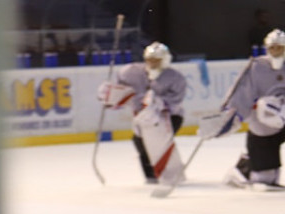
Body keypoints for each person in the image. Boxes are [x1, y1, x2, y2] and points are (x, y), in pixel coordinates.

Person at [205, 29, 285, 189]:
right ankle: (243, 171)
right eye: (272, 48)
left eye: (280, 48)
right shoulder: (256, 67)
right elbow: (241, 94)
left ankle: (247, 165)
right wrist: (230, 117)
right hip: (263, 122)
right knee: (265, 179)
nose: (275, 52)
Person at [97, 42, 186, 184]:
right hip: (142, 117)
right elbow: (120, 91)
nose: (152, 64)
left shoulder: (176, 78)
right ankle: (151, 176)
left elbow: (176, 101)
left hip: (169, 117)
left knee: (159, 141)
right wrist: (108, 93)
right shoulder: (130, 72)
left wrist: (157, 103)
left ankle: (171, 173)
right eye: (149, 60)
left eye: (156, 61)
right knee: (139, 141)